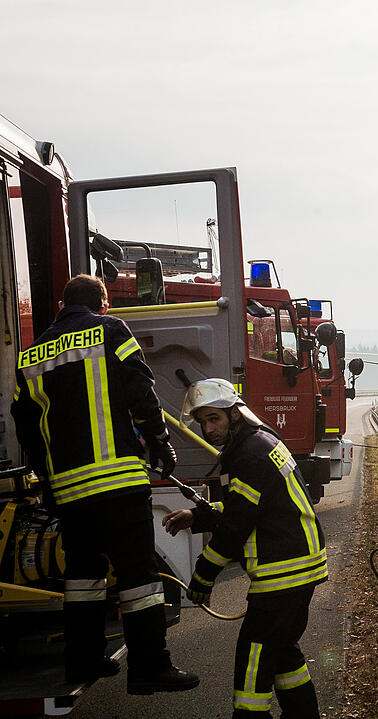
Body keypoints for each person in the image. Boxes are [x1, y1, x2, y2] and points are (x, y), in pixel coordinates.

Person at [10, 274, 199, 693]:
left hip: (69, 491)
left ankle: (83, 660)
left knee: (83, 576)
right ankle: (150, 667)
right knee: (138, 575)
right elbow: (141, 390)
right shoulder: (110, 329)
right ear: (103, 302)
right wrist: (160, 441)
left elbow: (25, 426)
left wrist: (48, 480)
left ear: (62, 305)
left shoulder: (31, 355)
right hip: (117, 482)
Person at [162, 378, 326, 718]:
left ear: (234, 414)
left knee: (253, 662)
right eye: (203, 421)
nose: (208, 429)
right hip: (298, 567)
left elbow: (236, 527)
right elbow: (249, 507)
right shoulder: (261, 441)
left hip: (282, 574)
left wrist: (202, 577)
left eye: (214, 419)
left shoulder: (248, 454)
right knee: (284, 655)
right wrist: (198, 515)